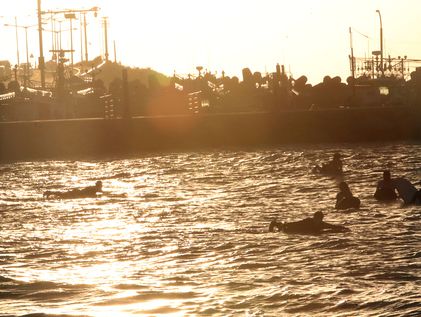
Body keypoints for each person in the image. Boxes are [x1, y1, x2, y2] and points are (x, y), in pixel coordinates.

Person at [269, 211, 350, 234]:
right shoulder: (308, 221)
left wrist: (343, 228)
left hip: (306, 231)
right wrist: (285, 225)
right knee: (285, 227)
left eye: (319, 220)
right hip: (296, 227)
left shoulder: (321, 224)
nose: (317, 221)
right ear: (314, 218)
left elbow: (332, 226)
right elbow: (296, 223)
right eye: (316, 219)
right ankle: (275, 224)